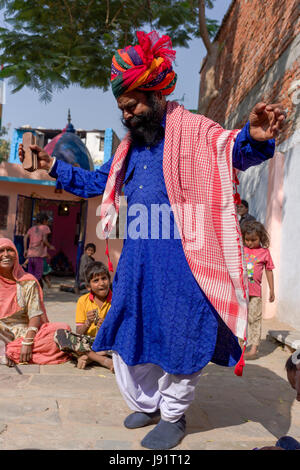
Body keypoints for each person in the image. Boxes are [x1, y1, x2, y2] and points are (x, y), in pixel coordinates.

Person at [18, 30, 286, 449]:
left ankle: (175, 416)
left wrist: (253, 138)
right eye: (122, 108)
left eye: (132, 106)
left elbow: (229, 149)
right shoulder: (129, 151)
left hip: (185, 265)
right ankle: (149, 403)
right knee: (129, 335)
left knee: (180, 337)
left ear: (156, 93)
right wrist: (53, 165)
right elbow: (94, 181)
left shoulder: (195, 132)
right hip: (138, 264)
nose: (126, 116)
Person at [0, 238, 71, 366]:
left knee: (61, 330)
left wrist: (27, 342)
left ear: (16, 254)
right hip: (1, 333)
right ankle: (10, 352)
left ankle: (11, 352)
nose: (5, 254)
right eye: (1, 251)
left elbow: (34, 315)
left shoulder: (28, 281)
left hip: (24, 334)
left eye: (10, 250)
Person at [54, 261, 113, 371]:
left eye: (104, 278)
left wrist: (105, 327)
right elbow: (79, 332)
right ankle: (103, 360)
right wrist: (87, 323)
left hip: (107, 343)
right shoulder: (83, 301)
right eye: (96, 280)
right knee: (60, 334)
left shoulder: (116, 300)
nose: (101, 283)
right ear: (88, 286)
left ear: (109, 280)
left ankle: (88, 356)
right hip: (88, 342)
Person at [242, 220, 275, 360]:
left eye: (253, 240)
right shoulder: (241, 249)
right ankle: (240, 347)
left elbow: (269, 271)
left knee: (254, 319)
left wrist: (272, 290)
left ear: (261, 238)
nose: (249, 243)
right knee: (241, 319)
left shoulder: (264, 252)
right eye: (247, 240)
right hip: (240, 292)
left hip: (255, 293)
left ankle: (254, 348)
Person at [23, 212, 55, 288]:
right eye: (47, 221)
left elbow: (25, 238)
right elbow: (44, 239)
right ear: (44, 220)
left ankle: (30, 289)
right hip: (38, 256)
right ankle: (35, 290)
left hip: (30, 256)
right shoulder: (45, 228)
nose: (47, 223)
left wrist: (25, 249)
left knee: (31, 274)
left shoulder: (31, 228)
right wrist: (50, 246)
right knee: (38, 275)